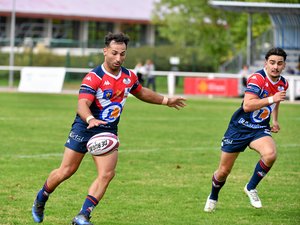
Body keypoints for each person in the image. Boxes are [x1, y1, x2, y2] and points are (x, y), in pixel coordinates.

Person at [31, 32, 187, 225]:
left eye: (122, 54)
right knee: (67, 170)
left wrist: (166, 100)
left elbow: (142, 92)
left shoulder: (129, 76)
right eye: (114, 53)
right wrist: (90, 119)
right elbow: (82, 105)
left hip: (107, 131)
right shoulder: (94, 77)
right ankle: (41, 198)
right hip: (85, 127)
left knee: (107, 174)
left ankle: (83, 215)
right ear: (105, 51)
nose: (118, 58)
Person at [204, 47, 289, 212]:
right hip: (239, 128)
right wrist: (272, 98)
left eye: (279, 63)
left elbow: (276, 101)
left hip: (259, 129)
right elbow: (248, 105)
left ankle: (251, 187)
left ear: (284, 65)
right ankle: (213, 196)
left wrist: (275, 120)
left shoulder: (283, 82)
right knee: (223, 171)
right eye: (272, 62)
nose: (275, 67)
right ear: (266, 63)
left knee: (270, 154)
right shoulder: (257, 78)